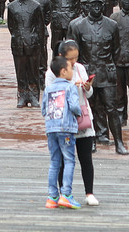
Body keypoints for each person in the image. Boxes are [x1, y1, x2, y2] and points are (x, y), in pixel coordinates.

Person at [42, 55, 82, 210]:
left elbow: (44, 109)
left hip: (51, 127)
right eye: (71, 68)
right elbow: (74, 106)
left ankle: (52, 196)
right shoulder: (70, 87)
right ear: (64, 71)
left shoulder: (49, 88)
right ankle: (66, 194)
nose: (72, 71)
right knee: (69, 160)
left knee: (54, 162)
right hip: (66, 128)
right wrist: (78, 113)